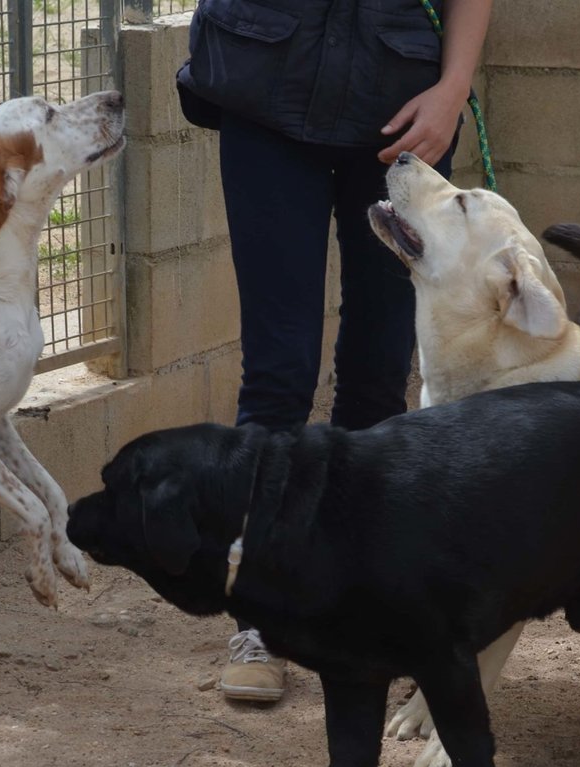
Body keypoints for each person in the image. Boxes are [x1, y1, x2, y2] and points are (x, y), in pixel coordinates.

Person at [177, 0, 493, 705]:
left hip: (400, 105)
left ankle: (363, 605)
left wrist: (451, 90)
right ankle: (263, 613)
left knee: (379, 376)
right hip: (266, 88)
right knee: (278, 371)